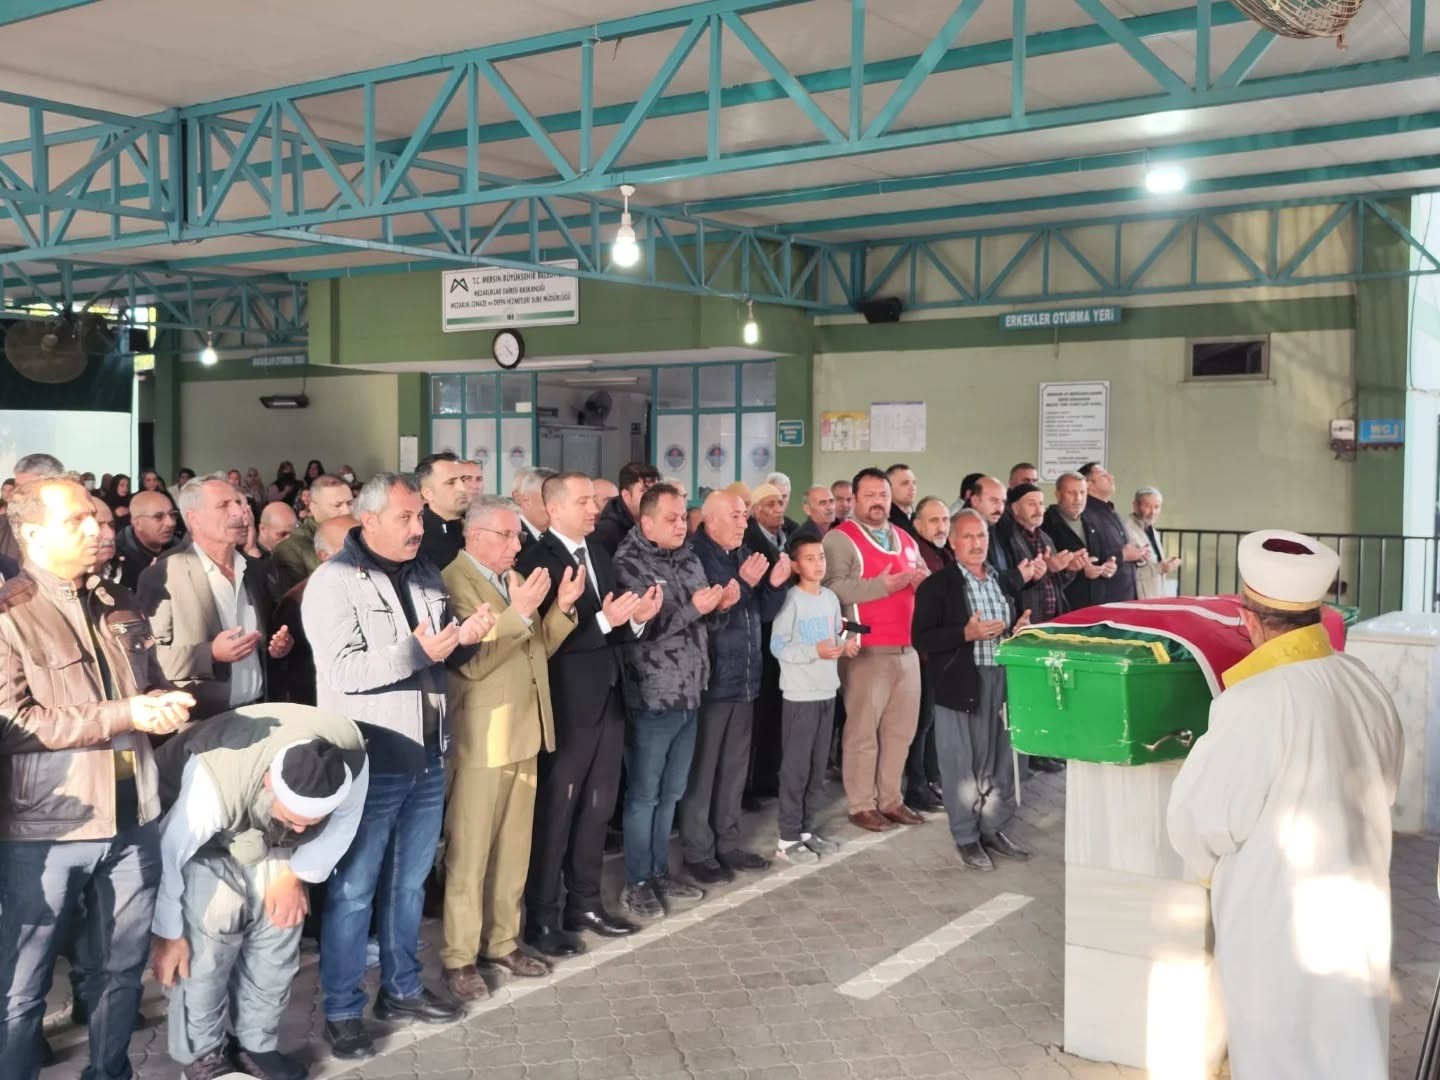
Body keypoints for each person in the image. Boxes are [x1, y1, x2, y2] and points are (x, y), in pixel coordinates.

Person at [1167, 530, 1403, 1080]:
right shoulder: (1363, 681)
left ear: (1248, 619)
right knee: (1352, 1047)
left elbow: (1201, 822)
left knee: (1279, 1052)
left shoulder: (1253, 702)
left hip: (1277, 918)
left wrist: (1207, 873)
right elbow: (1388, 781)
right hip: (1360, 907)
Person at [0, 474, 194, 1080]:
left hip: (134, 815)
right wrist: (126, 714)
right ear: (32, 535)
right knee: (22, 985)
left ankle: (110, 1072)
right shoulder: (9, 614)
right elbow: (13, 722)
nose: (96, 529)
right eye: (76, 521)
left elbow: (146, 685)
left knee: (120, 970)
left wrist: (164, 702)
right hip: (47, 827)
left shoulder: (118, 601)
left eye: (97, 517)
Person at [303, 473, 496, 1060]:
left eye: (419, 517)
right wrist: (417, 651)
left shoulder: (424, 572)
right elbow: (342, 671)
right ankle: (342, 1010)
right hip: (371, 757)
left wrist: (466, 638)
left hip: (426, 754)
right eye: (406, 518)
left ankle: (402, 989)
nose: (418, 528)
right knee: (354, 891)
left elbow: (439, 655)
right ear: (369, 521)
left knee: (409, 886)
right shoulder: (334, 581)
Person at [149, 705, 368, 1080]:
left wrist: (295, 877)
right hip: (200, 844)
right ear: (269, 781)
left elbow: (341, 826)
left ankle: (257, 1046)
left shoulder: (349, 765)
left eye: (311, 822)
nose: (302, 830)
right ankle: (204, 1054)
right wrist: (168, 935)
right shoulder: (213, 781)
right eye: (295, 819)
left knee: (280, 929)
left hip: (267, 837)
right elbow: (168, 852)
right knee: (205, 947)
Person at [439, 496, 583, 1001]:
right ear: (475, 536)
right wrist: (518, 613)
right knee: (470, 853)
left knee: (514, 849)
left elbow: (536, 647)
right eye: (506, 535)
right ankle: (459, 956)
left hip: (525, 730)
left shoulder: (513, 579)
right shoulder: (452, 583)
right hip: (482, 738)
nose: (516, 545)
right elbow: (471, 663)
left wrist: (561, 609)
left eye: (517, 536)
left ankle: (501, 942)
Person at [514, 473, 660, 957]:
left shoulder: (597, 552)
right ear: (553, 508)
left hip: (609, 696)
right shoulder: (535, 561)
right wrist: (604, 620)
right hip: (567, 705)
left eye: (595, 501)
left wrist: (635, 619)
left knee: (597, 809)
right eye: (583, 502)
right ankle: (542, 917)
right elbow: (541, 642)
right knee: (557, 814)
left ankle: (585, 903)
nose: (594, 509)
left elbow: (611, 624)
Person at [613, 484, 729, 919]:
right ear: (646, 522)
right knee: (644, 795)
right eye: (671, 519)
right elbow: (641, 631)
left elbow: (702, 626)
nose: (682, 525)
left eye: (683, 517)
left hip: (691, 692)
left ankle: (660, 871)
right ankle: (637, 881)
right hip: (652, 696)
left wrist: (718, 607)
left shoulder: (689, 557)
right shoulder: (628, 563)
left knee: (672, 793)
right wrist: (696, 608)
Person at [912, 509, 1030, 871]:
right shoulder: (938, 586)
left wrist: (1019, 629)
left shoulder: (1002, 581)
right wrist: (966, 633)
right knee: (962, 764)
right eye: (968, 537)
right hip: (961, 682)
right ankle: (966, 837)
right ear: (953, 542)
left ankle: (992, 829)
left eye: (981, 536)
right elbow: (922, 638)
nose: (977, 544)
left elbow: (1010, 623)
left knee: (1002, 759)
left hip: (1003, 679)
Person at [683, 491, 792, 881]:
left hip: (745, 679)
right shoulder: (694, 557)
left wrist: (774, 586)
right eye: (735, 516)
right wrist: (744, 583)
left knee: (733, 770)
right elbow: (710, 616)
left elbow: (761, 613)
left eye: (745, 516)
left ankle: (727, 844)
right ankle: (698, 851)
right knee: (703, 772)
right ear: (710, 520)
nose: (744, 523)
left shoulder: (743, 553)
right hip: (711, 683)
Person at [822, 468, 927, 832]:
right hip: (866, 649)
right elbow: (830, 588)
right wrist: (882, 586)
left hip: (907, 649)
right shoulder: (840, 538)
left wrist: (925, 583)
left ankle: (890, 799)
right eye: (869, 495)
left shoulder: (905, 538)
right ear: (854, 499)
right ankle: (861, 804)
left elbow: (923, 580)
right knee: (863, 733)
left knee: (901, 732)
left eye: (883, 494)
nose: (878, 502)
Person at [140, 474, 293, 719]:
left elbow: (266, 639)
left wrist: (279, 647)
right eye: (224, 505)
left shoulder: (256, 570)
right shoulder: (164, 575)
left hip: (261, 713)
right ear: (194, 518)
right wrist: (210, 653)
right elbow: (148, 660)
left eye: (239, 503)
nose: (239, 512)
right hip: (202, 722)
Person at [770, 534, 854, 864]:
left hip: (826, 690)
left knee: (817, 767)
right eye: (809, 558)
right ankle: (787, 838)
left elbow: (832, 639)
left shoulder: (830, 599)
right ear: (795, 565)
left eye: (821, 557)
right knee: (796, 769)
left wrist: (844, 647)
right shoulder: (790, 600)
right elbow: (778, 646)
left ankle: (805, 831)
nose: (818, 563)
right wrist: (813, 651)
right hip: (799, 696)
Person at [271, 516, 358, 707]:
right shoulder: (297, 601)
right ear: (324, 555)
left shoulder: (382, 585)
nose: (362, 552)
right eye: (351, 546)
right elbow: (289, 669)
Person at [903, 496, 953, 812]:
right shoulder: (914, 554)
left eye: (945, 520)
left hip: (943, 650)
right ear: (917, 524)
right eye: (934, 520)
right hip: (922, 652)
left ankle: (933, 779)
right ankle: (916, 786)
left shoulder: (943, 553)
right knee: (921, 722)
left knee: (934, 720)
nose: (941, 527)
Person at [269, 475, 355, 597]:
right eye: (337, 505)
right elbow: (295, 601)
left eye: (350, 503)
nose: (347, 511)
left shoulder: (363, 536)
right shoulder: (290, 550)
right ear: (314, 508)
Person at [1043, 471, 1117, 610]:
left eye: (1082, 492)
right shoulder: (1046, 525)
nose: (1078, 498)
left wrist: (1108, 566)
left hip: (1096, 604)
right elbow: (1045, 569)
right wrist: (1080, 571)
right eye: (1072, 493)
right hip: (1064, 605)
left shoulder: (1092, 521)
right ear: (1058, 494)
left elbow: (1102, 556)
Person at [1078, 462, 1148, 603]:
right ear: (1089, 485)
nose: (1111, 477)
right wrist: (1122, 556)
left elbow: (1122, 550)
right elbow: (1088, 555)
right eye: (1103, 475)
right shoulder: (1084, 515)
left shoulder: (1113, 513)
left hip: (1126, 595)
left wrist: (1138, 555)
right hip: (1104, 598)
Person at [0, 452, 64, 563]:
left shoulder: (77, 532)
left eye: (26, 488)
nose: (17, 494)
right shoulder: (4, 525)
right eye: (17, 487)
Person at [416, 452, 474, 571]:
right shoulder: (418, 537)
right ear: (428, 493)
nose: (462, 488)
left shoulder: (480, 524)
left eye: (463, 480)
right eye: (450, 482)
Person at [113, 489, 180, 591]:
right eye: (159, 516)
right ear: (137, 524)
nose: (171, 523)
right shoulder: (116, 557)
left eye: (172, 514)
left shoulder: (180, 549)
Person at [593, 461, 660, 558]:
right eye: (644, 491)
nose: (653, 497)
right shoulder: (607, 533)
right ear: (626, 495)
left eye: (656, 491)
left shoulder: (660, 523)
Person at [1124, 486, 1181, 599]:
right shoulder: (1127, 530)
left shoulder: (1152, 531)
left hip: (1154, 596)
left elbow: (1152, 564)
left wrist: (1166, 565)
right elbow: (1125, 573)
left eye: (1156, 507)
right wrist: (1160, 568)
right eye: (1147, 506)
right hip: (1136, 598)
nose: (1153, 512)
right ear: (1135, 506)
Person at [511, 465, 556, 549]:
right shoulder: (508, 536)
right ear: (526, 500)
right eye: (549, 499)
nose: (556, 508)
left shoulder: (561, 536)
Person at [885, 464, 919, 538]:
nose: (912, 487)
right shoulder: (883, 520)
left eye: (914, 483)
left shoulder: (920, 518)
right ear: (888, 488)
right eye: (905, 483)